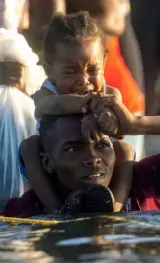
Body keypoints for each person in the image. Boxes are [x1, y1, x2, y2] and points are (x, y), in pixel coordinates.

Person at [20, 11, 135, 214]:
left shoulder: (110, 94)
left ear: (104, 62)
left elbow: (120, 133)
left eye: (92, 69)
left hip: (98, 164)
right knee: (28, 146)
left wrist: (106, 119)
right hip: (56, 164)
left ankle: (115, 205)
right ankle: (56, 208)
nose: (83, 80)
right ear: (49, 69)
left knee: (126, 150)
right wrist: (88, 105)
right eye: (70, 71)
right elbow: (48, 106)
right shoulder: (46, 92)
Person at [3, 109, 160, 217]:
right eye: (73, 149)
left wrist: (134, 124)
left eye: (102, 145)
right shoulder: (25, 210)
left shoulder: (143, 182)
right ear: (47, 163)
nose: (93, 159)